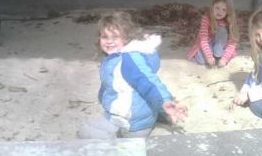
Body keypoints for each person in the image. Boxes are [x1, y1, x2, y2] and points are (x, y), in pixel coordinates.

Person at [78, 11, 187, 139]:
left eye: (115, 37)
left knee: (121, 147)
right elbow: (110, 82)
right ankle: (156, 115)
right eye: (104, 37)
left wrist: (165, 102)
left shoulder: (129, 60)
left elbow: (149, 83)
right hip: (116, 115)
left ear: (126, 38)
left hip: (135, 122)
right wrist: (103, 97)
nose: (109, 42)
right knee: (84, 133)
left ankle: (155, 116)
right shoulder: (113, 58)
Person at [187, 0, 239, 68]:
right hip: (208, 43)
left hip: (221, 44)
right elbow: (203, 39)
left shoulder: (230, 21)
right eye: (217, 8)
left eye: (224, 9)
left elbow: (232, 43)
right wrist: (209, 56)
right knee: (201, 60)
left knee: (222, 30)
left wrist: (225, 59)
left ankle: (218, 53)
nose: (219, 12)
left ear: (228, 11)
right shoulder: (206, 18)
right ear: (212, 7)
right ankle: (215, 55)